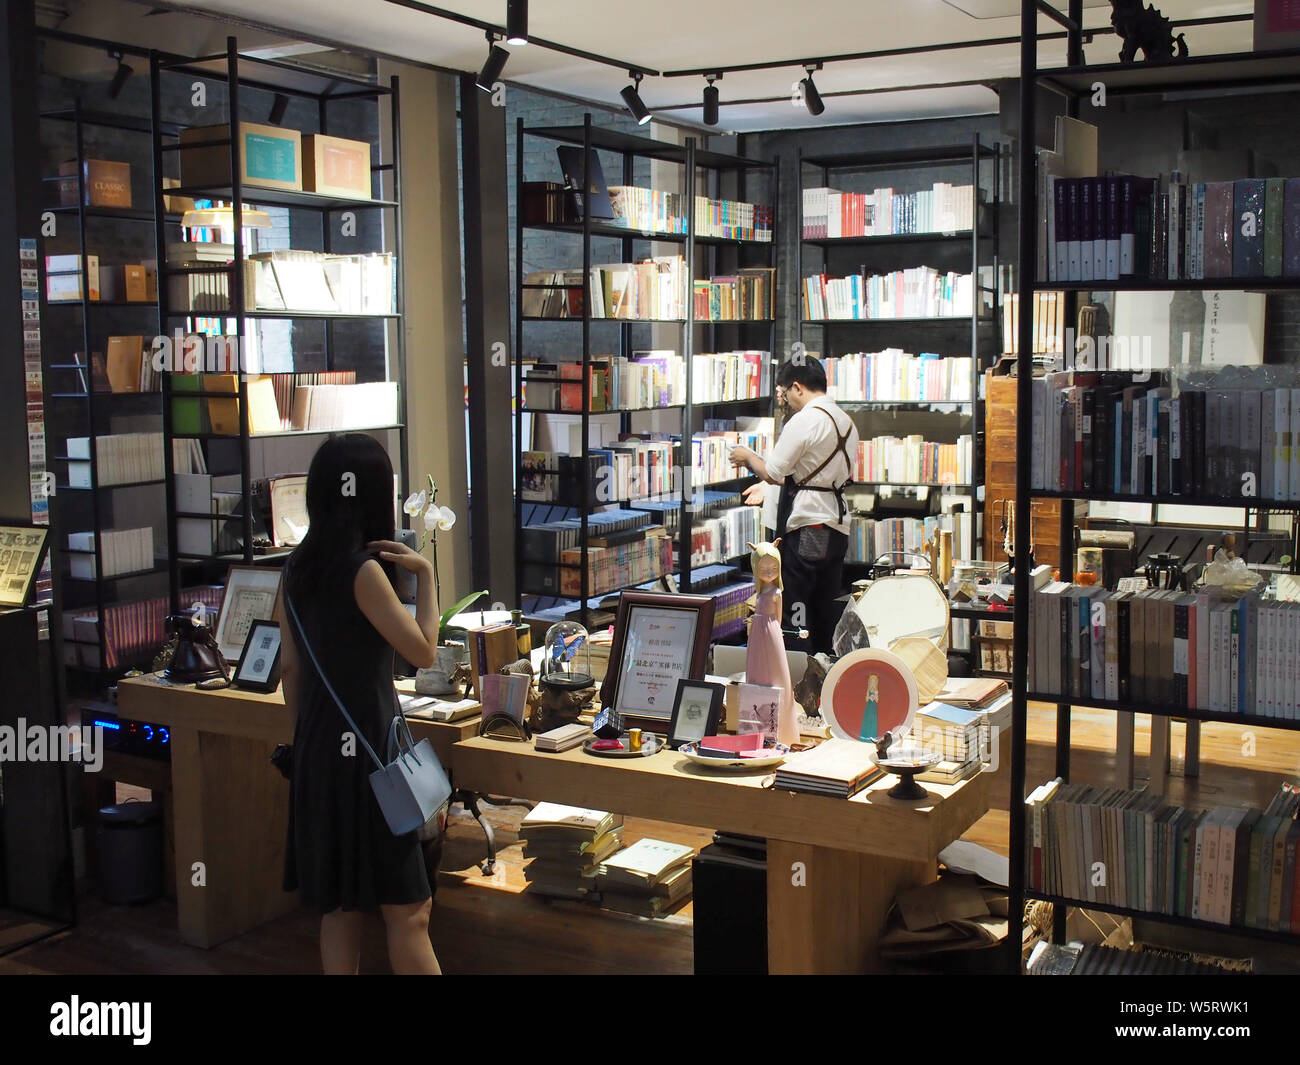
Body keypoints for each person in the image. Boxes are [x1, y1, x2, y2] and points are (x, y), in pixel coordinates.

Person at [279, 433, 443, 975]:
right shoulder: (363, 572)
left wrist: (309, 747)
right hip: (372, 759)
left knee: (340, 907)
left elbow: (291, 673)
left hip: (318, 757)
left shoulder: (294, 571)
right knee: (409, 912)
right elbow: (421, 652)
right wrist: (425, 574)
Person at [730, 356, 857, 654]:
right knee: (824, 605)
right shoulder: (847, 422)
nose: (786, 400)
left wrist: (747, 457)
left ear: (797, 388)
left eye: (785, 393)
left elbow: (773, 472)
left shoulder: (806, 420)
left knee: (796, 603)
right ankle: (823, 672)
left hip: (808, 523)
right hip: (837, 524)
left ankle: (796, 676)